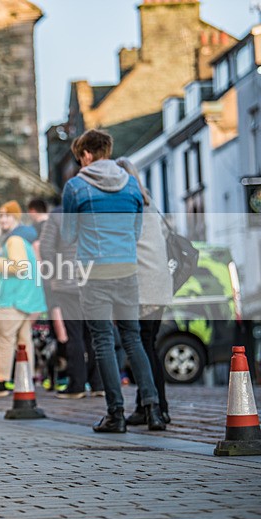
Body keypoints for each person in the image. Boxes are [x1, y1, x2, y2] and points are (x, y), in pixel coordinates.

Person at [61, 129, 165, 432]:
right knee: (133, 338)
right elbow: (135, 230)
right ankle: (153, 409)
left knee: (104, 341)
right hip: (127, 270)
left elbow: (68, 234)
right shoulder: (132, 185)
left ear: (87, 155)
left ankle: (116, 414)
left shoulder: (76, 187)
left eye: (80, 157)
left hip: (95, 273)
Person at [115, 157, 174, 425]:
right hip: (160, 284)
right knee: (149, 345)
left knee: (142, 346)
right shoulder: (148, 201)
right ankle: (153, 405)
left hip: (143, 286)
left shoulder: (129, 204)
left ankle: (154, 406)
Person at [39, 205, 103, 398]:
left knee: (74, 335)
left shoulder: (58, 214)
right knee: (93, 335)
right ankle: (99, 383)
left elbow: (46, 247)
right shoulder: (95, 211)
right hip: (93, 281)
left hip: (67, 283)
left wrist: (55, 271)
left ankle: (76, 385)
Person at [0, 201, 47, 396]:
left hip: (12, 300)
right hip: (26, 299)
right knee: (24, 342)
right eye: (1, 216)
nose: (3, 220)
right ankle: (24, 381)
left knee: (4, 340)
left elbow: (19, 267)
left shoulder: (14, 241)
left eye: (8, 216)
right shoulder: (23, 239)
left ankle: (2, 381)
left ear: (16, 218)